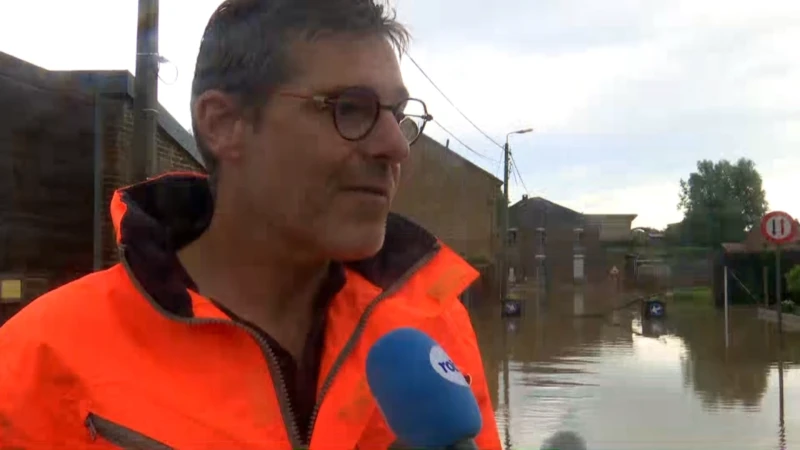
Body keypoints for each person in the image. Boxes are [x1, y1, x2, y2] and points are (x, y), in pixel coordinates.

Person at [0, 1, 502, 449]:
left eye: (398, 115)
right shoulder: (39, 361)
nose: (395, 148)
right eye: (351, 109)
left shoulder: (434, 327)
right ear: (224, 125)